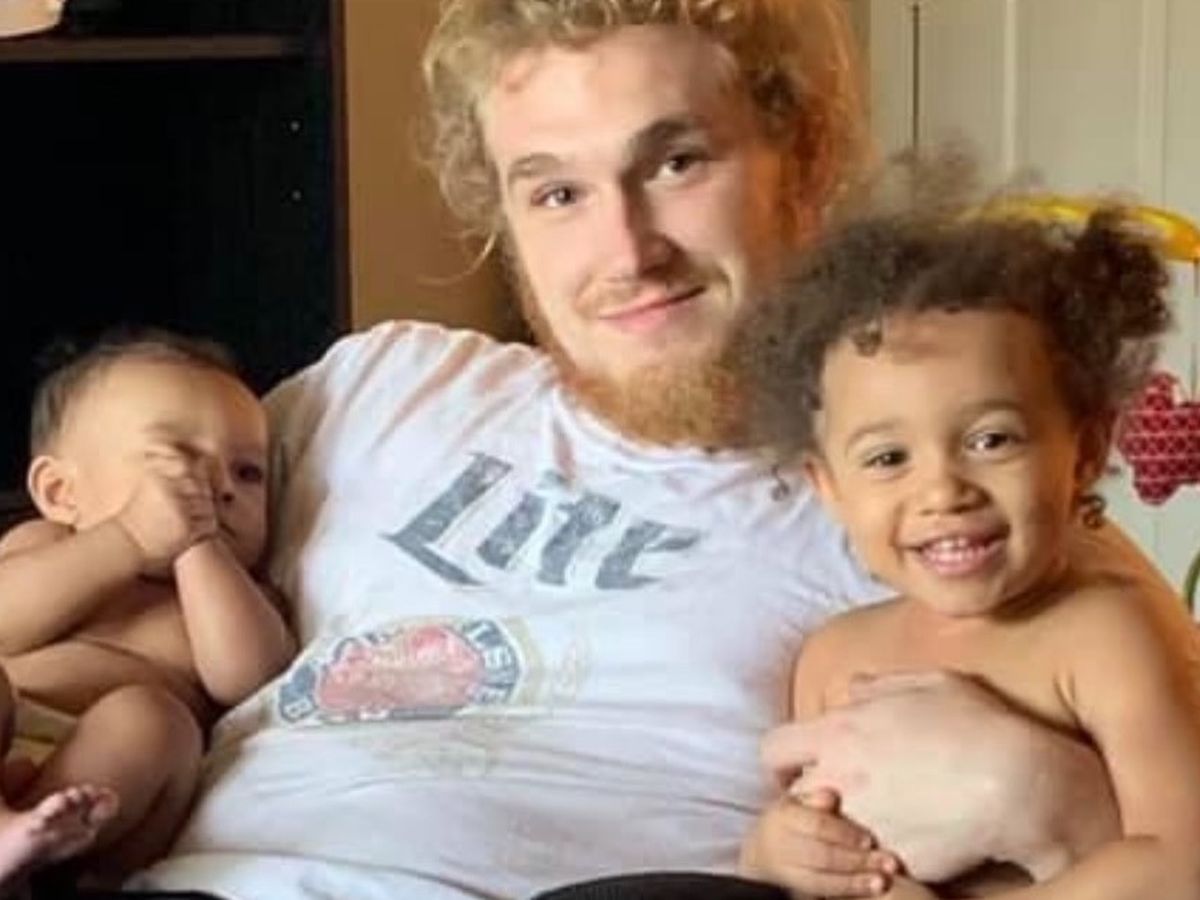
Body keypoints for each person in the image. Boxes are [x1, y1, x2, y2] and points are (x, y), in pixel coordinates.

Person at [133, 2, 1151, 898]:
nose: (627, 252)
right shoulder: (381, 386)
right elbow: (98, 609)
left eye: (676, 163)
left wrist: (1055, 798)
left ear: (805, 159)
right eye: (557, 194)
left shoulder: (930, 503)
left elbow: (1146, 816)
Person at [731, 183, 1200, 898]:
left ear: (1084, 451)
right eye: (888, 458)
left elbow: (1179, 864)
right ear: (827, 486)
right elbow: (816, 839)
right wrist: (778, 848)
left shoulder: (1107, 636)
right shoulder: (832, 657)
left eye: (991, 440)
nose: (944, 491)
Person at [0, 330, 293, 893]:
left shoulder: (243, 594)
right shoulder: (43, 543)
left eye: (247, 472)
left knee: (156, 721)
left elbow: (250, 680)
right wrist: (128, 538)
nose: (216, 487)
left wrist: (196, 544)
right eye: (177, 459)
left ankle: (28, 855)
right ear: (61, 492)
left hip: (100, 795)